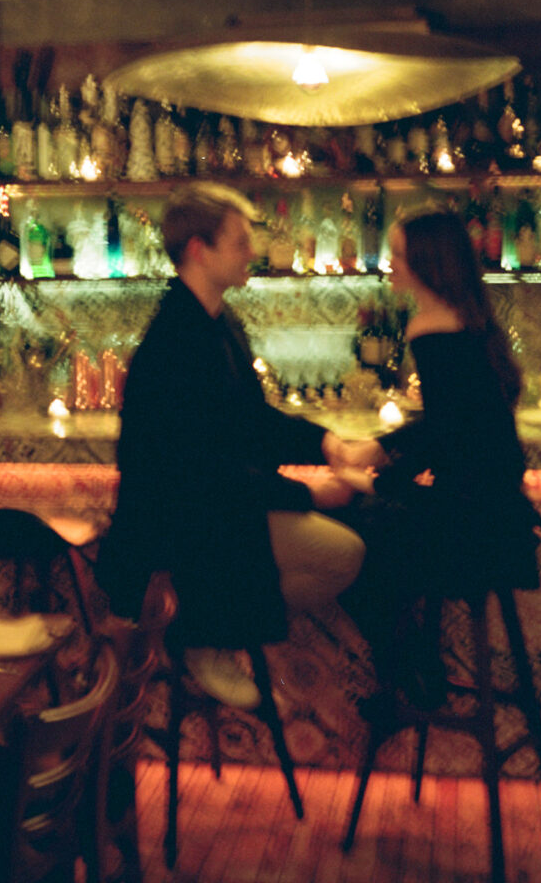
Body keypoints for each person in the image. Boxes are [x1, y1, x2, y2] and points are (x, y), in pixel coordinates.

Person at [97, 181, 365, 710]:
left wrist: (327, 442)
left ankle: (210, 621)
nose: (253, 252)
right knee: (344, 556)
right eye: (240, 241)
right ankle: (197, 630)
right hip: (177, 526)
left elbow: (251, 422)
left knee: (346, 546)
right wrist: (310, 496)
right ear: (200, 250)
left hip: (213, 509)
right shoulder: (178, 341)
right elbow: (206, 472)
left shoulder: (218, 323)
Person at [329, 204, 541, 708]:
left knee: (349, 552)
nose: (390, 265)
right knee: (365, 534)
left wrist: (374, 482)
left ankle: (412, 686)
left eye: (398, 255)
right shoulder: (468, 322)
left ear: (427, 263)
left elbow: (449, 440)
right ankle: (415, 681)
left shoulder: (430, 330)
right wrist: (379, 449)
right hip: (499, 519)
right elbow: (456, 424)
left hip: (472, 531)